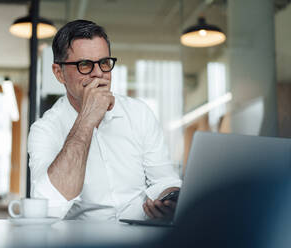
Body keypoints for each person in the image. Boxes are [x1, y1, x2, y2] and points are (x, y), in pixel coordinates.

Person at [28, 19, 182, 220]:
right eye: (84, 65)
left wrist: (169, 201)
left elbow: (164, 180)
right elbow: (48, 207)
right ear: (59, 73)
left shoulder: (139, 113)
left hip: (139, 235)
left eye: (104, 63)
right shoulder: (45, 130)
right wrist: (86, 119)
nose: (99, 73)